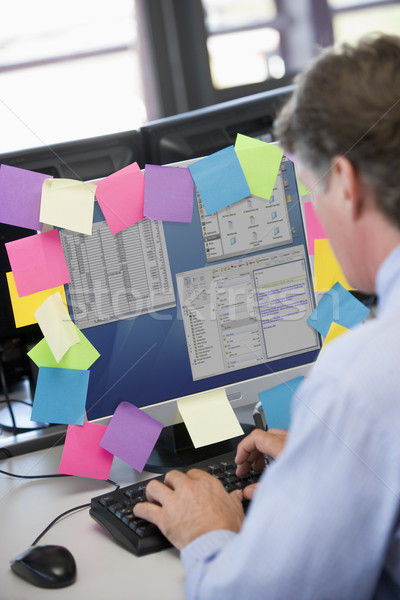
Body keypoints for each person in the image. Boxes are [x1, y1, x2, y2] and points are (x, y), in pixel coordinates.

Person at [134, 33, 400, 599]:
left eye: (312, 191)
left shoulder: (364, 375)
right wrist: (329, 462)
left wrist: (207, 530)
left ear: (346, 183)